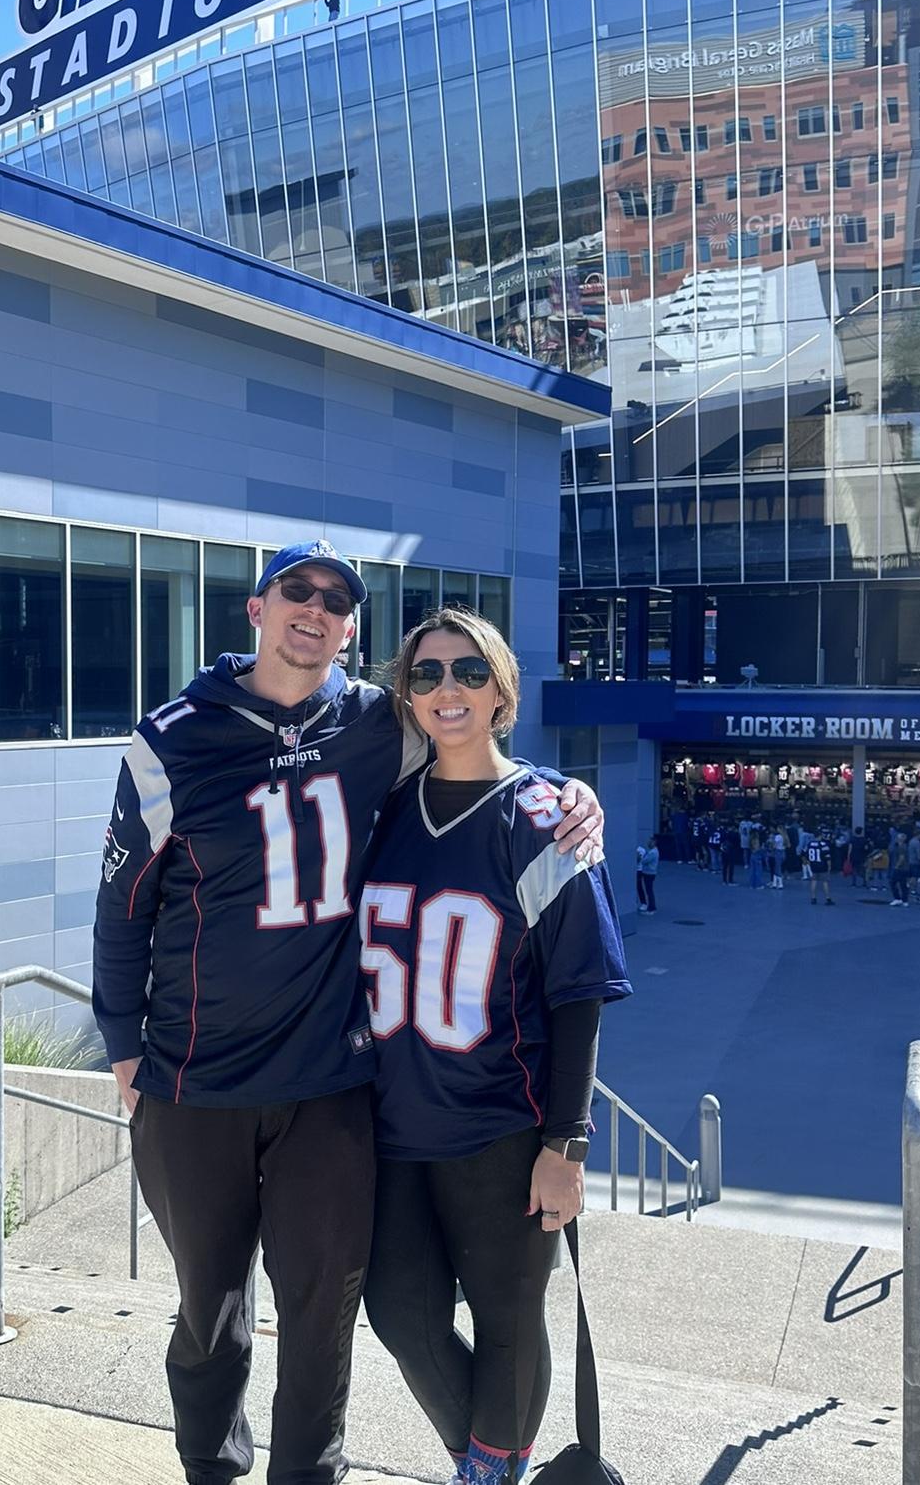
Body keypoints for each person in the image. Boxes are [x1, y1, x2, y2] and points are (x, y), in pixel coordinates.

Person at [90, 541, 603, 1485]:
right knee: (208, 1306)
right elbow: (123, 907)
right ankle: (210, 1462)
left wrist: (569, 797)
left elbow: (473, 748)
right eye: (298, 590)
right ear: (257, 608)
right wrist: (124, 1045)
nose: (315, 608)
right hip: (195, 1079)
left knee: (325, 1313)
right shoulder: (171, 738)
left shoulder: (374, 722)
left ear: (350, 629)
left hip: (330, 1085)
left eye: (336, 599)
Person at [361, 606, 631, 1485]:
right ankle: (482, 1462)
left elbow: (579, 994)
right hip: (392, 1123)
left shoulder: (544, 817)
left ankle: (485, 1473)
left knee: (509, 1323)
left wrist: (566, 1144)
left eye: (470, 671)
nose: (449, 688)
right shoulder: (383, 810)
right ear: (407, 695)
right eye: (428, 673)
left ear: (503, 693)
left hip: (502, 1128)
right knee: (400, 1315)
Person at [804, 832, 835, 905]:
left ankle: (813, 898)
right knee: (825, 882)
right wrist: (829, 866)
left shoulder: (809, 844)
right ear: (820, 836)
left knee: (814, 881)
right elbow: (828, 857)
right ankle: (828, 898)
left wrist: (809, 863)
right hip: (822, 866)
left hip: (813, 865)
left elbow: (805, 854)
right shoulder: (823, 845)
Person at [635, 836, 659, 914]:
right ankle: (651, 907)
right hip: (650, 873)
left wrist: (639, 857)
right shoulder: (653, 851)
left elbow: (644, 861)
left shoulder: (653, 852)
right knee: (649, 890)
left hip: (649, 873)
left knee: (649, 891)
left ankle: (651, 908)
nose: (648, 843)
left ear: (654, 842)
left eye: (650, 841)